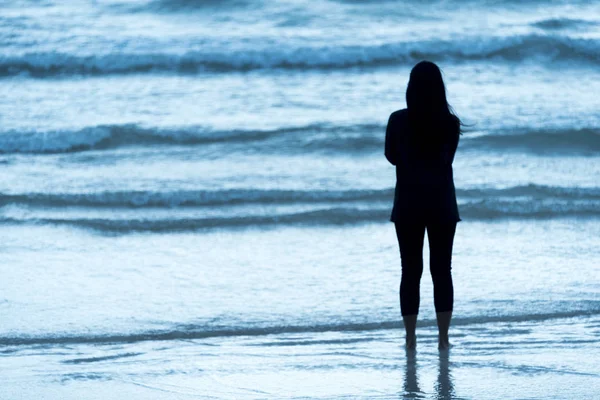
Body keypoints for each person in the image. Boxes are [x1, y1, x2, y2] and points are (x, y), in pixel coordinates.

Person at [385, 61, 462, 350]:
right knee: (442, 270)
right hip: (442, 203)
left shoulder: (398, 120)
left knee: (410, 270)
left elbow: (390, 156)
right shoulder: (449, 123)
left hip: (408, 203)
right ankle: (443, 338)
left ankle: (410, 337)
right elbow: (447, 161)